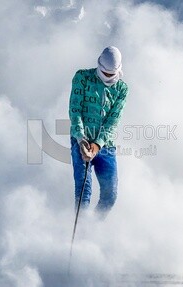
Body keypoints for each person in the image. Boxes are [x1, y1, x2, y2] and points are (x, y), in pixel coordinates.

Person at [68, 46, 129, 219]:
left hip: (105, 146)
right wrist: (81, 140)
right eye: (104, 73)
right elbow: (75, 110)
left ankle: (93, 229)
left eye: (111, 74)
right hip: (81, 140)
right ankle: (79, 230)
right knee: (83, 191)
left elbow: (113, 120)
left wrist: (97, 145)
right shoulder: (82, 77)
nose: (107, 77)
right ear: (99, 65)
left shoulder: (122, 89)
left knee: (110, 194)